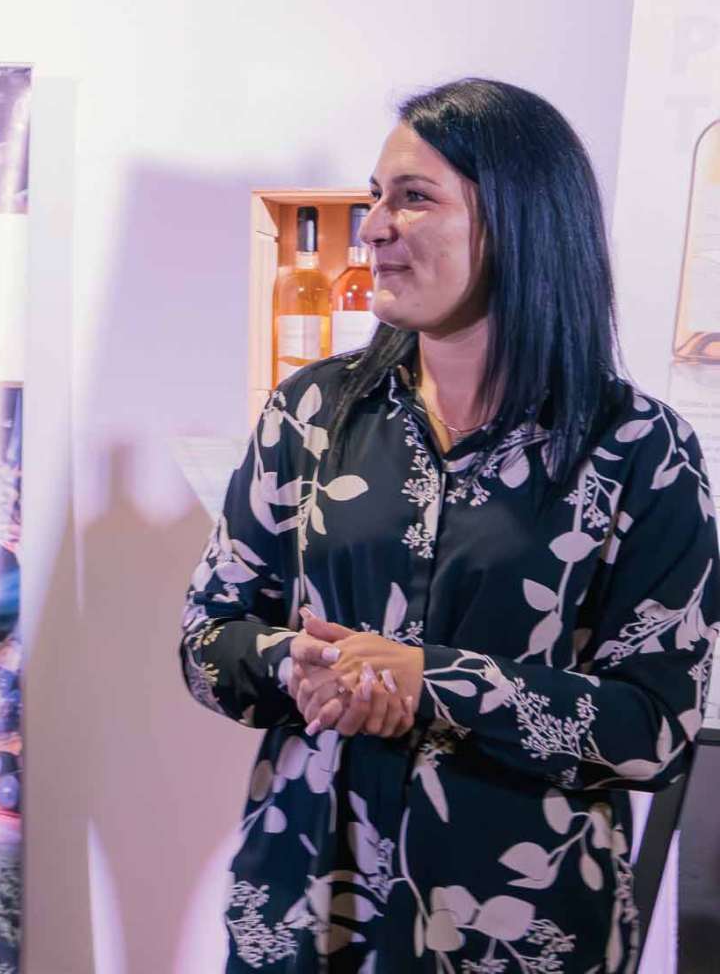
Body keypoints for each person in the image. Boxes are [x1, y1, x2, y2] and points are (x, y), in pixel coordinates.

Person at [181, 78, 719, 971]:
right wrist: (296, 665)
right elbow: (208, 637)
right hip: (307, 902)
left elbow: (655, 728)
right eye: (376, 197)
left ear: (519, 223)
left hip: (523, 924)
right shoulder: (311, 412)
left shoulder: (639, 448)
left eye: (414, 198)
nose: (374, 227)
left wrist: (434, 681)